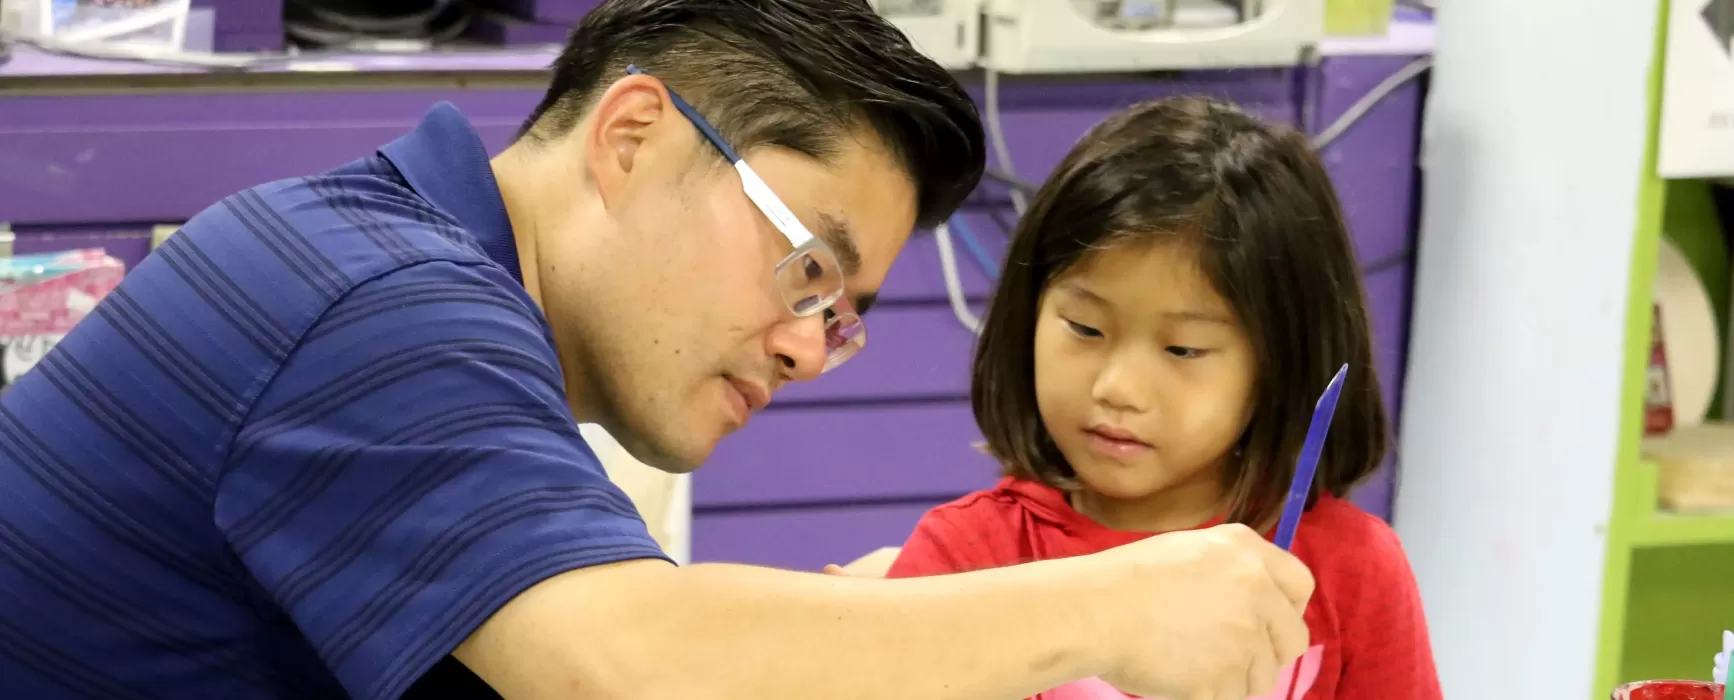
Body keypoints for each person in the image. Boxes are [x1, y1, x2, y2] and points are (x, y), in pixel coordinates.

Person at [0, 2, 1320, 699]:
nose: (812, 351)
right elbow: (624, 668)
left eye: (845, 312)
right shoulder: (386, 306)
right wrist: (1114, 606)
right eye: (812, 268)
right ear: (634, 137)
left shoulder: (394, 263)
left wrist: (865, 630)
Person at [883, 96, 1444, 700]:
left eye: (1183, 350)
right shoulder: (968, 554)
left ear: (1284, 363)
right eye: (1086, 329)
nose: (1117, 389)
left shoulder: (1352, 568)